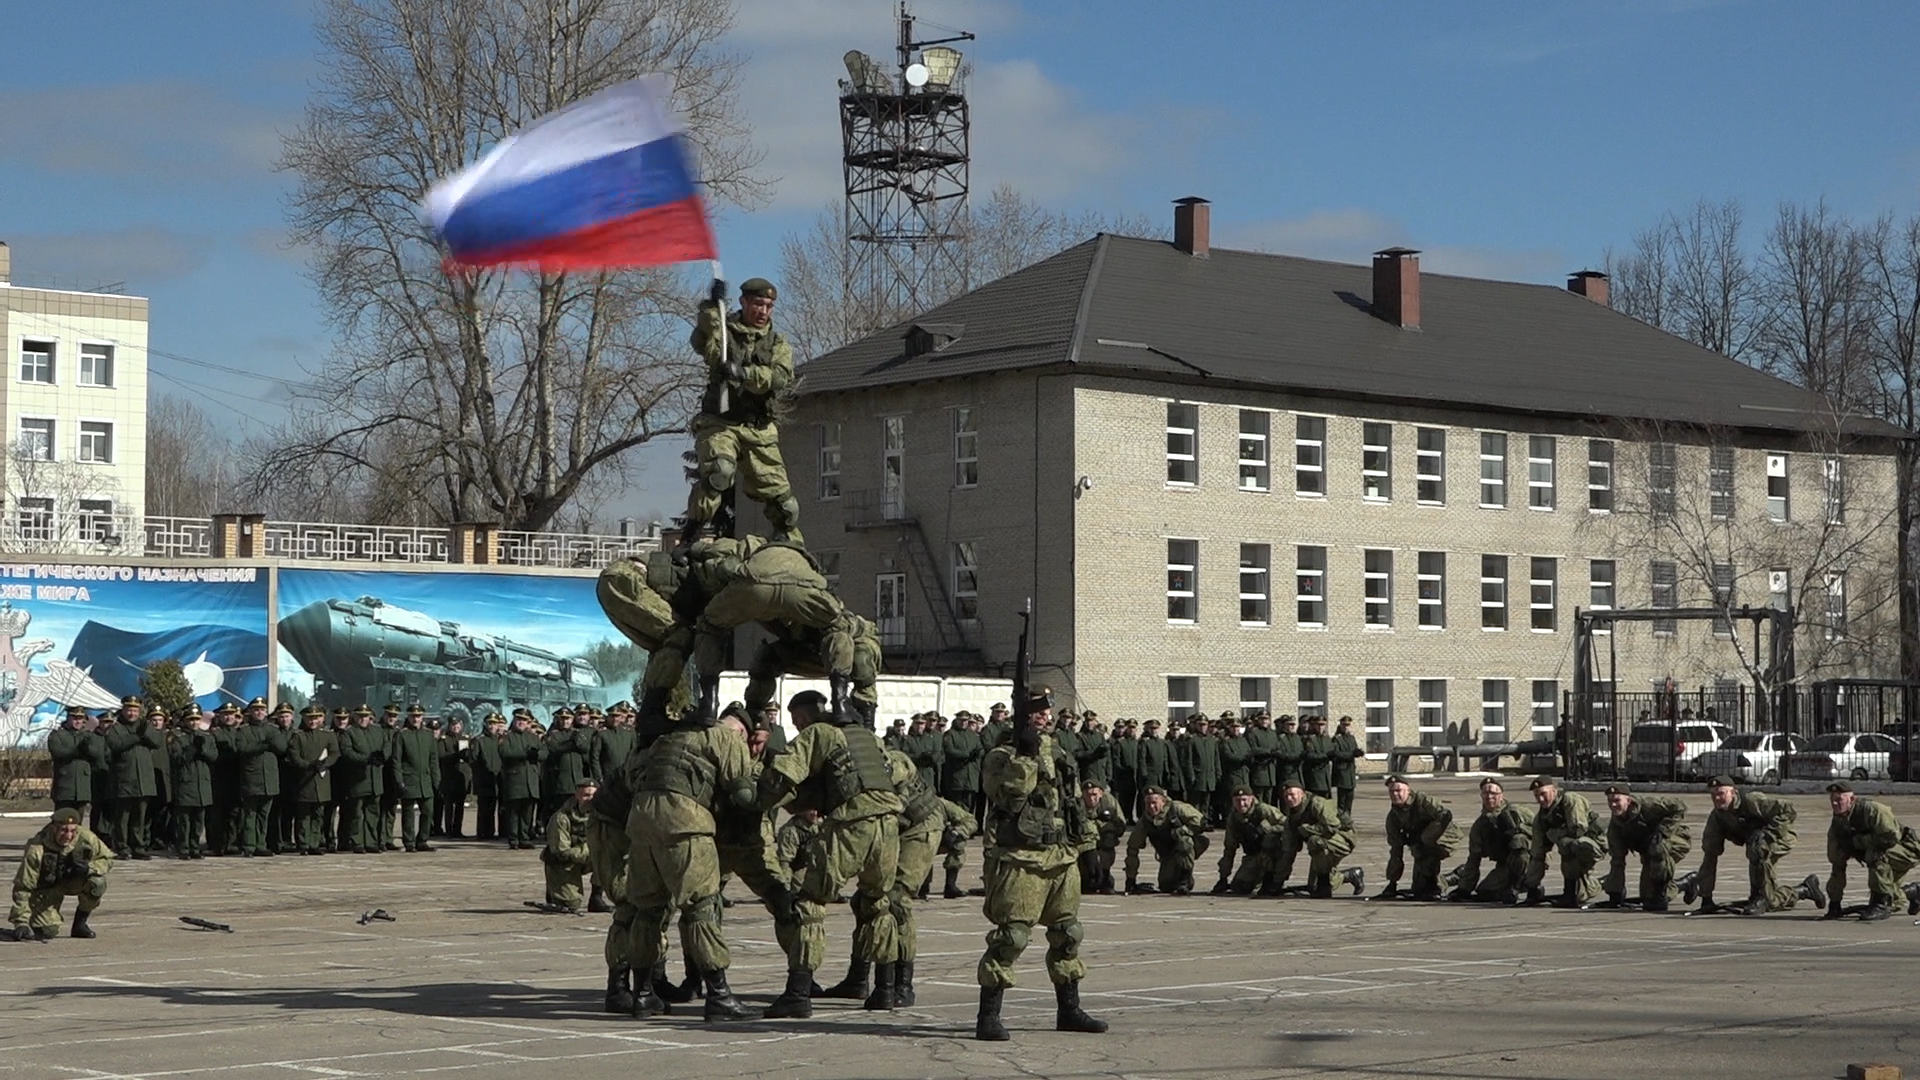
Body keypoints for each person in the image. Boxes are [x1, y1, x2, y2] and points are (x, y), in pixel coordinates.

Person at [756, 689, 903, 1017]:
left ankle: (798, 993)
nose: (797, 728)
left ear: (805, 718)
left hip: (852, 823)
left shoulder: (819, 733)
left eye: (797, 722)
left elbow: (785, 772)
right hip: (890, 824)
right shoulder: (868, 738)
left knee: (810, 902)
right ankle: (885, 989)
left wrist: (756, 802)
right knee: (877, 903)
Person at [972, 691, 1106, 1042]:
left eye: (1046, 709)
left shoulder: (1058, 750)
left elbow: (1073, 800)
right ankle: (988, 1016)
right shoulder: (1000, 756)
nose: (1045, 715)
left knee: (1068, 933)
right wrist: (1026, 757)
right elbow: (1008, 797)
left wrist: (1089, 846)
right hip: (1020, 859)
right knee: (1012, 936)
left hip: (1060, 855)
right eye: (1036, 711)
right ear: (1022, 717)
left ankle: (1069, 1010)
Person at [625, 708, 758, 1022]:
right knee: (702, 907)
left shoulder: (665, 739)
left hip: (642, 822)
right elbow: (742, 791)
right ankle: (719, 996)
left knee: (647, 910)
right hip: (685, 823)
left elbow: (632, 777)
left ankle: (642, 995)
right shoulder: (725, 738)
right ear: (740, 731)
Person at [680, 276, 800, 547]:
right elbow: (704, 339)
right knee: (719, 473)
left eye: (769, 306)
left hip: (758, 427)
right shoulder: (725, 333)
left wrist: (743, 373)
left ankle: (789, 547)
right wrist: (711, 305)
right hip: (720, 422)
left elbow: (779, 377)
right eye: (758, 304)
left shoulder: (777, 344)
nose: (763, 311)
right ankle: (690, 536)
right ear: (744, 302)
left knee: (785, 505)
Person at [1690, 774, 1822, 915]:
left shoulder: (1752, 801)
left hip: (1780, 837)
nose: (1716, 798)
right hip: (1756, 845)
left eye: (1721, 793)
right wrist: (1706, 897)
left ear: (1733, 793)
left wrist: (1768, 833)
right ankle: (1804, 889)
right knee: (1754, 850)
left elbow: (1787, 810)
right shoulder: (1717, 817)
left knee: (1760, 853)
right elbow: (1710, 855)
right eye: (1713, 795)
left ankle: (1763, 897)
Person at [7, 808, 112, 941]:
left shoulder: (87, 838)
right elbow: (23, 886)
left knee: (97, 883)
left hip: (73, 881)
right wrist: (21, 922)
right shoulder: (37, 849)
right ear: (53, 829)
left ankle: (80, 924)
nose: (68, 836)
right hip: (47, 889)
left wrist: (89, 868)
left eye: (73, 831)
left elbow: (107, 858)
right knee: (48, 931)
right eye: (63, 830)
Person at [1822, 781, 1920, 921]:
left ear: (1851, 799)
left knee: (1875, 855)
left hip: (1907, 850)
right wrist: (1834, 902)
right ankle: (1914, 892)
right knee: (1893, 897)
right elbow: (1836, 861)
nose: (1835, 804)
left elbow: (1890, 838)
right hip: (1885, 854)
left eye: (1839, 800)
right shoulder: (1838, 823)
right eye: (1832, 800)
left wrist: (1858, 842)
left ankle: (1881, 905)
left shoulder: (1873, 810)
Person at [1595, 783, 1691, 912]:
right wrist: (1615, 893)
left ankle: (1660, 895)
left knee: (1658, 848)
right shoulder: (1616, 826)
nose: (1613, 805)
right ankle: (1685, 884)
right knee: (1646, 896)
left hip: (1674, 841)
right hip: (1650, 853)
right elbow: (1617, 861)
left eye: (1617, 800)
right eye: (1610, 801)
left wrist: (1663, 831)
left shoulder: (1647, 806)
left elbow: (1680, 807)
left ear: (1628, 800)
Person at [1520, 776, 1605, 907]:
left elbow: (1578, 830)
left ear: (1554, 791)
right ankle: (1573, 891)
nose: (1540, 799)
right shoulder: (1541, 819)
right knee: (1564, 846)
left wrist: (1554, 834)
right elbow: (1537, 853)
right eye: (1537, 795)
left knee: (1569, 844)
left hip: (1594, 844)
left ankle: (1602, 883)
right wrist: (1532, 888)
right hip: (1573, 847)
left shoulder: (1570, 800)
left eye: (1543, 794)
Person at [1272, 781, 1365, 898]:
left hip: (1343, 837)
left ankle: (1324, 882)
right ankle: (1350, 875)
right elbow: (1288, 852)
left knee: (1314, 841)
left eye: (1292, 794)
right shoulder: (1292, 819)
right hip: (1323, 842)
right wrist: (1277, 882)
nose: (1289, 798)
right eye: (1286, 796)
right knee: (1313, 887)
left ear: (1302, 794)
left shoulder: (1317, 803)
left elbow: (1333, 826)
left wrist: (1308, 829)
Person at [1448, 778, 1534, 903]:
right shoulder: (1480, 826)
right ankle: (1517, 885)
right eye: (1486, 793)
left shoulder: (1518, 812)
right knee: (1484, 892)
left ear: (1501, 795)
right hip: (1505, 865)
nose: (1489, 797)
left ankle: (1519, 886)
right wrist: (1464, 889)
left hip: (1530, 861)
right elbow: (1474, 859)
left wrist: (1520, 830)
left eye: (1493, 793)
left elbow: (1539, 833)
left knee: (1519, 840)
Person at [1378, 775, 1463, 901]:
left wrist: (1429, 835)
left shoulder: (1423, 801)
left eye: (1398, 791)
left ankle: (1436, 885)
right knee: (1419, 890)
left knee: (1425, 845)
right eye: (1391, 791)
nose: (1395, 794)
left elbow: (1445, 816)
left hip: (1446, 837)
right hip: (1423, 846)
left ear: (1408, 791)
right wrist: (1392, 883)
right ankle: (1455, 876)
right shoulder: (1393, 818)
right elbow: (1396, 851)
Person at [102, 696, 163, 859]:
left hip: (144, 780)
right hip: (124, 780)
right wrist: (137, 737)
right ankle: (122, 847)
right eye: (129, 710)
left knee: (140, 817)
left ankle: (138, 847)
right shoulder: (116, 728)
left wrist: (145, 733)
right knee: (122, 817)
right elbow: (116, 745)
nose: (132, 713)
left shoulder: (145, 725)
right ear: (123, 710)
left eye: (135, 710)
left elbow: (157, 742)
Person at [1123, 786, 1209, 895]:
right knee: (1166, 885)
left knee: (1184, 841)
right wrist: (1130, 879)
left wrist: (1183, 831)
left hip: (1191, 845)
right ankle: (1175, 876)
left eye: (1154, 802)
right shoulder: (1145, 821)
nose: (1151, 806)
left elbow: (1201, 823)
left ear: (1163, 801)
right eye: (1148, 803)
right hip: (1168, 854)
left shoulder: (1177, 808)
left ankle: (1186, 879)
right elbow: (1132, 848)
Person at [1213, 787, 1287, 896]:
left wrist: (1272, 829)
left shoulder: (1264, 810)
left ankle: (1271, 879)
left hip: (1273, 854)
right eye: (1237, 800)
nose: (1241, 804)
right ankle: (1258, 879)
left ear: (1251, 798)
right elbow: (1230, 847)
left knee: (1270, 839)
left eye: (1244, 800)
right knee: (1239, 887)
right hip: (1253, 855)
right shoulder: (1233, 818)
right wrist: (1223, 877)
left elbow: (1288, 826)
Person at [167, 707, 220, 860]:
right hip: (185, 783)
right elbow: (176, 758)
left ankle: (195, 846)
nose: (194, 723)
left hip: (202, 784)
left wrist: (202, 748)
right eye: (191, 719)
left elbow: (213, 756)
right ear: (185, 721)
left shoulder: (206, 737)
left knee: (198, 820)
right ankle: (183, 847)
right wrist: (191, 749)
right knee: (184, 820)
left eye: (197, 719)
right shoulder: (178, 737)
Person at [541, 778, 598, 913]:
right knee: (571, 905)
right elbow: (561, 850)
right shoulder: (561, 817)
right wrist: (589, 849)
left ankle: (597, 898)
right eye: (586, 795)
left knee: (611, 856)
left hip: (589, 856)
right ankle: (554, 891)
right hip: (565, 862)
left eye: (593, 796)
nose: (589, 799)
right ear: (577, 795)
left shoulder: (602, 815)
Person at [48, 706, 106, 821]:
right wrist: (78, 750)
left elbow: (97, 753)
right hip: (64, 787)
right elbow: (58, 752)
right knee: (60, 822)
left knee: (77, 823)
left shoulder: (88, 735)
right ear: (68, 718)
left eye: (80, 718)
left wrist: (88, 748)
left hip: (82, 788)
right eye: (74, 718)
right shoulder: (58, 735)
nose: (78, 721)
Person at [394, 705, 438, 852]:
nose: (416, 719)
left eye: (418, 716)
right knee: (408, 814)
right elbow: (397, 760)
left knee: (428, 811)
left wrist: (436, 780)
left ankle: (423, 840)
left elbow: (433, 760)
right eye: (413, 716)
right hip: (409, 779)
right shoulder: (402, 734)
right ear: (408, 717)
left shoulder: (428, 735)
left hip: (425, 780)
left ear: (422, 717)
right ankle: (409, 842)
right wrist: (399, 779)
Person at [498, 712, 544, 850]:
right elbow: (505, 753)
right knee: (513, 812)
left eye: (524, 720)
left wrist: (537, 755)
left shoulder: (533, 737)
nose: (521, 722)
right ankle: (513, 839)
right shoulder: (507, 737)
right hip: (515, 779)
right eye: (519, 719)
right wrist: (525, 754)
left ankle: (524, 838)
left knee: (527, 812)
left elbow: (545, 752)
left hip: (531, 779)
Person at [1079, 780, 1125, 895]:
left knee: (1109, 836)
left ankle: (1105, 875)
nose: (1091, 798)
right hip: (1083, 845)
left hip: (1103, 841)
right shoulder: (1077, 804)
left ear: (1101, 793)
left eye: (1094, 795)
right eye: (1088, 795)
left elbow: (1121, 826)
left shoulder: (1109, 802)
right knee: (1087, 883)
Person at [1329, 717, 1362, 817]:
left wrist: (1358, 753)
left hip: (1350, 771)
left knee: (1350, 799)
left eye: (1348, 725)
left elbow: (1354, 750)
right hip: (1342, 772)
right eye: (1344, 725)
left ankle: (1348, 818)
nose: (1346, 727)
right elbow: (1336, 754)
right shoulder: (1337, 739)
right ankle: (1341, 820)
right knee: (1342, 800)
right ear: (1340, 725)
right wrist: (1351, 754)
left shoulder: (1351, 738)